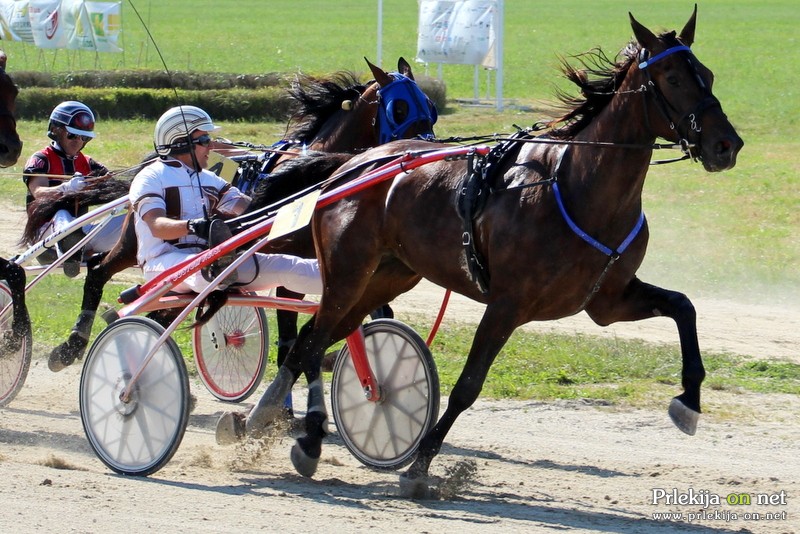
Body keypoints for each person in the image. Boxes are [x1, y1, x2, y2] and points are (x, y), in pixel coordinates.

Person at [129, 104, 322, 298]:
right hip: (162, 264)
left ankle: (346, 283)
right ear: (181, 143)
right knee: (209, 270)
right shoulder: (150, 177)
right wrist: (194, 226)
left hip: (213, 262)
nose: (212, 147)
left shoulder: (209, 179)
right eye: (205, 140)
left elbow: (248, 208)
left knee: (291, 266)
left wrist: (300, 209)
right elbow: (157, 226)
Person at [23, 101, 124, 277]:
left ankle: (77, 249)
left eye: (84, 138)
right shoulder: (40, 159)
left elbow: (114, 186)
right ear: (56, 130)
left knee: (130, 213)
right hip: (45, 238)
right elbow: (38, 192)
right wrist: (67, 187)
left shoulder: (89, 163)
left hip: (81, 236)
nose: (78, 142)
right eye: (72, 136)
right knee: (62, 215)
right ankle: (71, 251)